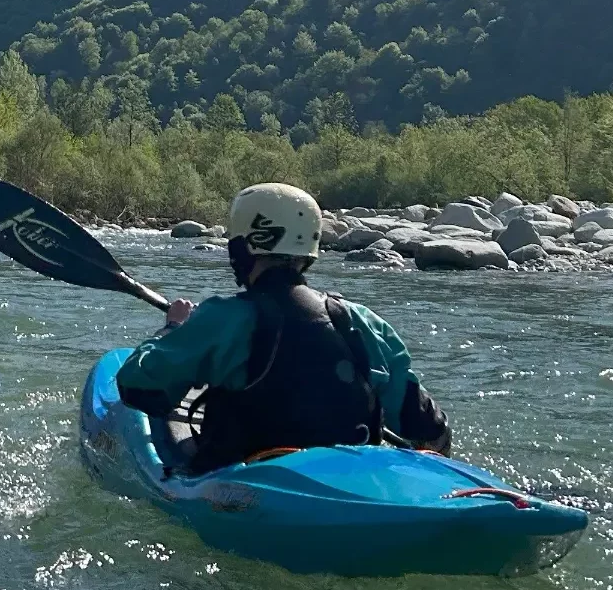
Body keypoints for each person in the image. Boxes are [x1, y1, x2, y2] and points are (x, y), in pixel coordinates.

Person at [116, 183, 451, 473]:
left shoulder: (222, 318)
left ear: (243, 248)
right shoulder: (362, 320)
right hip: (352, 483)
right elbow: (429, 429)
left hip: (252, 484)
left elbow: (138, 386)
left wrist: (173, 328)